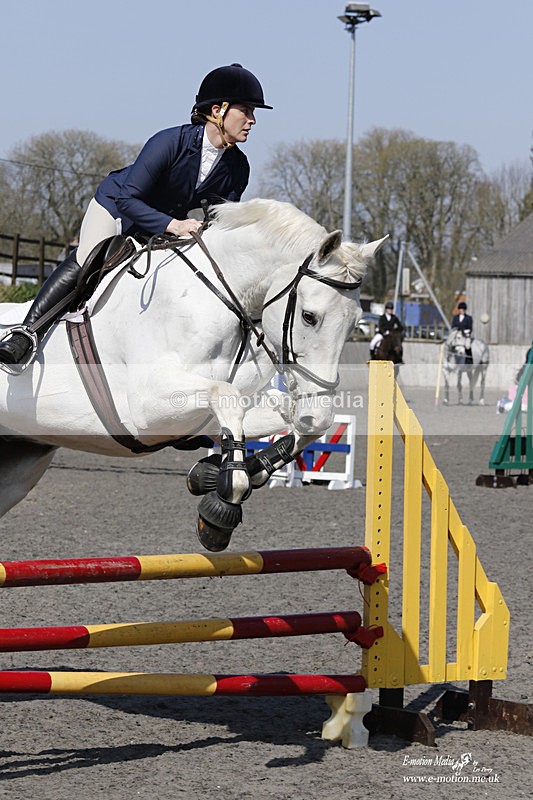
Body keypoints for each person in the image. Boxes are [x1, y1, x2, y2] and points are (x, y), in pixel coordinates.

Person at [0, 63, 272, 367]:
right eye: (246, 111)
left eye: (252, 113)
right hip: (116, 207)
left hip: (159, 226)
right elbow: (129, 198)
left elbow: (222, 222)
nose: (252, 120)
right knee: (89, 259)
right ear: (218, 110)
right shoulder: (169, 142)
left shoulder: (238, 166)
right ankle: (26, 332)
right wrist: (174, 224)